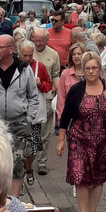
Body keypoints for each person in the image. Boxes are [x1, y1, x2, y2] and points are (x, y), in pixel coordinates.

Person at [57, 52, 106, 212]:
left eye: (94, 68)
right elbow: (66, 116)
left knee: (97, 178)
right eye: (87, 68)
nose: (90, 71)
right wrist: (60, 140)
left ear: (100, 69)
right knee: (80, 176)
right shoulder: (77, 90)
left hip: (103, 140)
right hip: (79, 138)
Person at [0, 34, 41, 197]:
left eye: (0, 47)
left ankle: (14, 202)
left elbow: (33, 96)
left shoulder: (24, 70)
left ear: (11, 50)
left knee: (17, 164)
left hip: (18, 124)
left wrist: (29, 119)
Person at [18, 40, 52, 185]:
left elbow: (48, 86)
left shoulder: (39, 66)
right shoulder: (15, 68)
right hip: (19, 113)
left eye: (30, 55)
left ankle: (29, 167)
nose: (27, 59)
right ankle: (19, 173)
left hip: (35, 113)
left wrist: (41, 83)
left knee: (34, 145)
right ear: (19, 54)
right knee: (19, 145)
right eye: (24, 55)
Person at [30, 28, 61, 176]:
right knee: (29, 131)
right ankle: (28, 159)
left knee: (44, 132)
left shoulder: (53, 55)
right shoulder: (28, 51)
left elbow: (56, 74)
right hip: (29, 98)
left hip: (47, 96)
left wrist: (57, 89)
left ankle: (42, 162)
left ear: (46, 40)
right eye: (35, 40)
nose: (37, 43)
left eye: (40, 41)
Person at [55, 43, 86, 123]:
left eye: (79, 54)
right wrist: (60, 117)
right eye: (74, 54)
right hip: (70, 116)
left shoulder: (89, 72)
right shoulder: (65, 74)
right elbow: (61, 98)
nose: (76, 56)